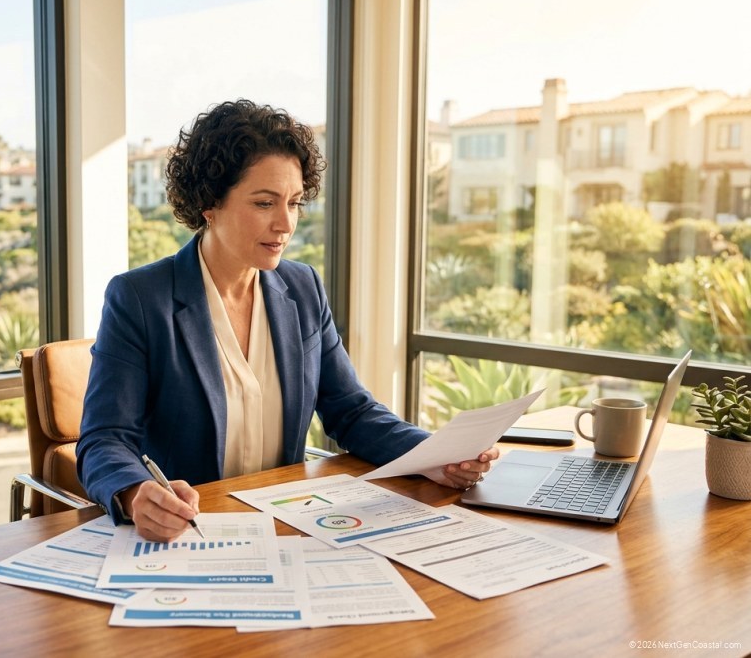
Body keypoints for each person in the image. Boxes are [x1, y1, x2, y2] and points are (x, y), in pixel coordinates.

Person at [77, 99, 498, 542]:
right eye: (264, 203)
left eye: (295, 203)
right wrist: (135, 493)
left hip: (284, 527)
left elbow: (351, 412)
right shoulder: (140, 298)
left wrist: (436, 455)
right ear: (209, 203)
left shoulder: (302, 287)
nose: (285, 224)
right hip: (190, 536)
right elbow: (103, 439)